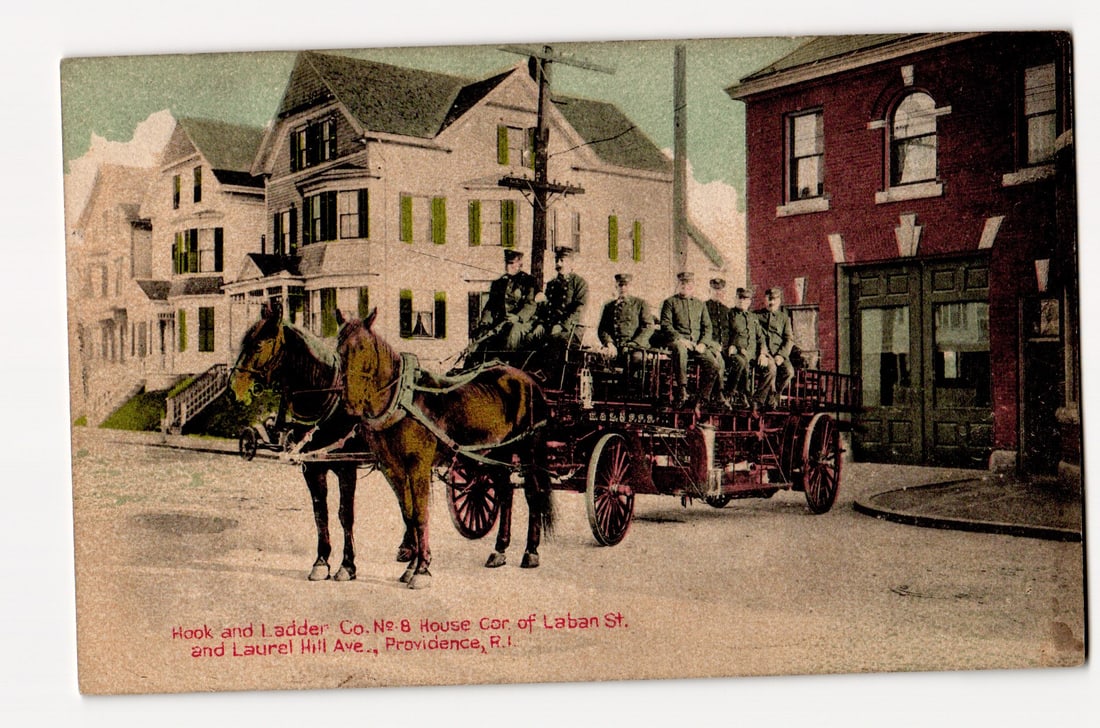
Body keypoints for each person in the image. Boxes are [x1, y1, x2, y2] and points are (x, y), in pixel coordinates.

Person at [658, 271, 723, 407]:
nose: (685, 286)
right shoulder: (670, 302)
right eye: (683, 283)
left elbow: (707, 327)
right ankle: (682, 389)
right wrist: (680, 339)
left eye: (689, 284)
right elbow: (666, 324)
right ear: (678, 284)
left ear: (693, 286)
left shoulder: (700, 304)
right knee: (680, 349)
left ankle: (701, 397)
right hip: (677, 342)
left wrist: (703, 344)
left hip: (696, 345)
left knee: (714, 365)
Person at [468, 249, 537, 363]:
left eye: (511, 263)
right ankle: (472, 366)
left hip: (523, 323)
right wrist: (484, 324)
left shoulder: (529, 281)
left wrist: (518, 317)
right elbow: (490, 306)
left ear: (520, 264)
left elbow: (530, 304)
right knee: (482, 335)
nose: (507, 266)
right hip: (501, 323)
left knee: (513, 331)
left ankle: (504, 363)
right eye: (506, 263)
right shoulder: (498, 283)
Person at [528, 247, 588, 356]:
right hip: (551, 326)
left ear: (571, 263)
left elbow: (578, 310)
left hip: (571, 329)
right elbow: (545, 308)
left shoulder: (579, 283)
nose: (558, 264)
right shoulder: (552, 284)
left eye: (562, 260)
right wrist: (541, 324)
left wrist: (561, 325)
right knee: (530, 338)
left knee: (553, 341)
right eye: (557, 260)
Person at [597, 273, 651, 368]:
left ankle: (629, 383)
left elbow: (648, 326)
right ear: (616, 287)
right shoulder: (609, 306)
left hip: (636, 347)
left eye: (626, 285)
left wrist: (634, 344)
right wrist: (609, 343)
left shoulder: (640, 304)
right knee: (596, 357)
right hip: (615, 346)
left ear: (631, 287)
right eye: (620, 285)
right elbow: (602, 329)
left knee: (633, 358)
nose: (623, 288)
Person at [755, 286, 795, 407]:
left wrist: (781, 355)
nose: (771, 302)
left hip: (779, 353)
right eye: (769, 299)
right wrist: (762, 353)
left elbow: (789, 339)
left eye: (774, 300)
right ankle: (764, 399)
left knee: (789, 372)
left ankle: (774, 394)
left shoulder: (784, 318)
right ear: (764, 300)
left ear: (779, 301)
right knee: (771, 368)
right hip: (763, 352)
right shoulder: (756, 315)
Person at [725, 286, 761, 407]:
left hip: (752, 354)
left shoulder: (753, 317)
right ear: (735, 299)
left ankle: (759, 400)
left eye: (745, 299)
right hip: (735, 352)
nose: (742, 301)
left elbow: (761, 338)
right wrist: (735, 346)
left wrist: (763, 353)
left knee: (769, 367)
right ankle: (732, 393)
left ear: (749, 302)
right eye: (739, 298)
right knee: (741, 362)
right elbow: (725, 333)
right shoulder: (729, 314)